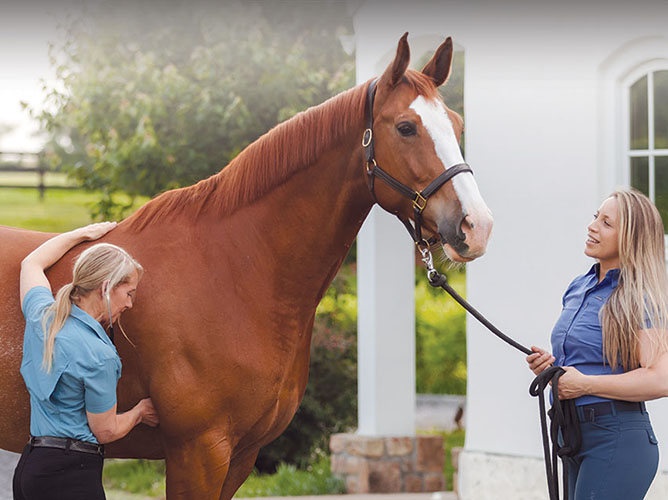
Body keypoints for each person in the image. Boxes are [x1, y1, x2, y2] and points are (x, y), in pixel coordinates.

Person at [526, 189, 668, 500]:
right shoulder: (579, 287)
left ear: (630, 237)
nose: (592, 226)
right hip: (573, 435)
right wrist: (552, 369)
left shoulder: (641, 297)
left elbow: (660, 379)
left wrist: (584, 385)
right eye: (595, 217)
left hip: (616, 439)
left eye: (606, 223)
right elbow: (584, 362)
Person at [13, 222, 159, 500]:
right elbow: (105, 430)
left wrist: (81, 234)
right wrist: (141, 412)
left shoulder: (42, 317)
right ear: (106, 288)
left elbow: (31, 263)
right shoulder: (99, 355)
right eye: (129, 294)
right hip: (71, 476)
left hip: (30, 470)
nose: (130, 304)